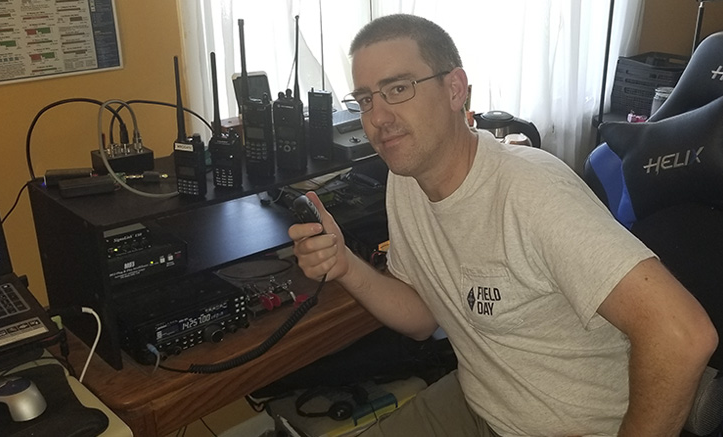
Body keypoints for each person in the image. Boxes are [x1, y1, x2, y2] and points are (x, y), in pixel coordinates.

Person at [288, 13, 718, 437]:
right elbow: (422, 315)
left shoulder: (532, 193)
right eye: (365, 99)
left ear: (455, 89)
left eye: (398, 89)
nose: (377, 117)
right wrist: (343, 263)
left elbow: (682, 336)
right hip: (484, 402)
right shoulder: (406, 182)